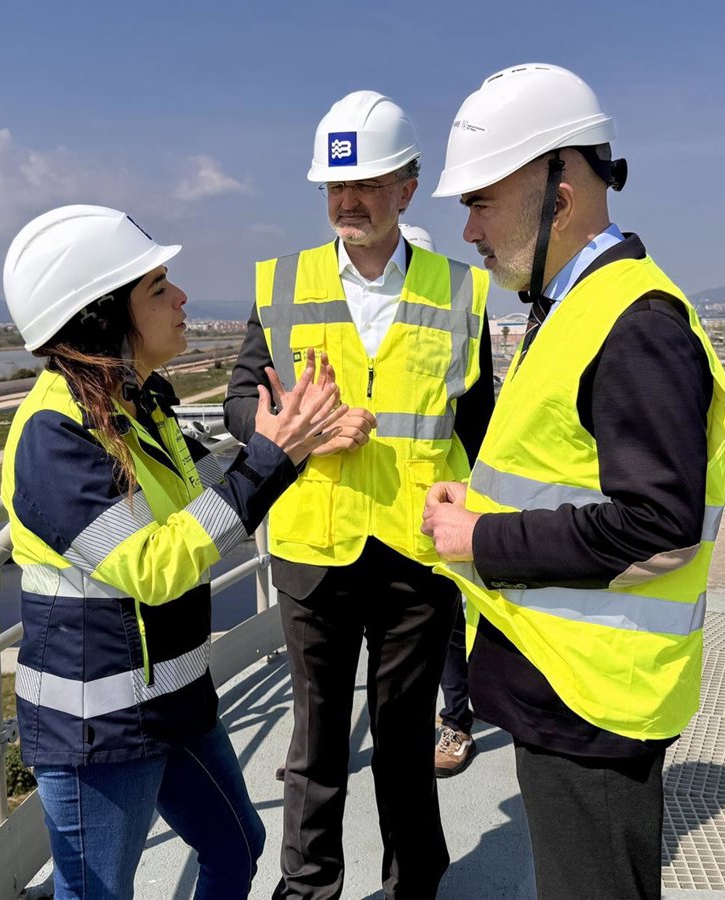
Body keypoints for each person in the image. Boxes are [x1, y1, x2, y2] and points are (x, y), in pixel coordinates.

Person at [421, 65, 725, 899]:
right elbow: (568, 477)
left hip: (594, 702)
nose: (468, 230)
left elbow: (657, 526)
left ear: (558, 196)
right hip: (567, 685)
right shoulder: (572, 307)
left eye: (480, 202)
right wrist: (478, 506)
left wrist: (482, 537)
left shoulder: (636, 324)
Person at [0, 204, 347, 900]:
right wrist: (271, 459)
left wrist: (293, 447)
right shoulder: (55, 435)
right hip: (98, 728)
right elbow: (153, 567)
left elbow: (211, 494)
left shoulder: (139, 404)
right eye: (158, 288)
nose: (182, 297)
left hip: (172, 700)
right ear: (103, 315)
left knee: (236, 848)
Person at [224, 92, 495, 900]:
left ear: (407, 189)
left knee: (406, 739)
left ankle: (414, 886)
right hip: (316, 548)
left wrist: (491, 526)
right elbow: (240, 401)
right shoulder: (284, 284)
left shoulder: (460, 291)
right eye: (335, 186)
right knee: (315, 743)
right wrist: (299, 430)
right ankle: (308, 891)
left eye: (368, 184)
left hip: (417, 549)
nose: (348, 201)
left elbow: (482, 426)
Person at [397, 222, 478, 779]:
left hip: (439, 511)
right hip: (373, 519)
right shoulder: (368, 339)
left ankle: (457, 722)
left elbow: (476, 418)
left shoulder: (458, 328)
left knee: (448, 630)